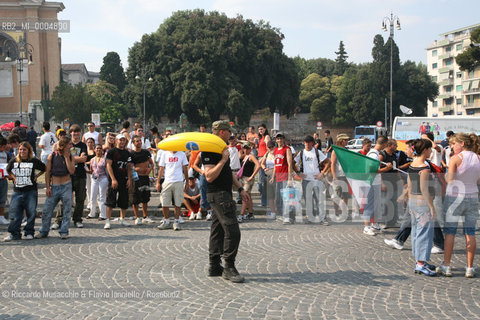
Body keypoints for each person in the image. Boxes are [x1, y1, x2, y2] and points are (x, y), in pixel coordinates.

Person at [202, 120, 250, 283]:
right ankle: (229, 267)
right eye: (229, 132)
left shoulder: (221, 148)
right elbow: (209, 176)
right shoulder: (209, 149)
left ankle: (214, 265)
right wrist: (223, 159)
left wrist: (240, 188)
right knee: (233, 230)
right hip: (218, 194)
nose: (231, 135)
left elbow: (228, 172)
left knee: (217, 230)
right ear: (222, 132)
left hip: (223, 193)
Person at [437, 133, 480, 278]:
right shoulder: (478, 158)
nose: (452, 147)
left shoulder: (456, 158)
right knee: (470, 232)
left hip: (455, 198)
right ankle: (469, 267)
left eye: (454, 144)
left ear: (461, 143)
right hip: (473, 196)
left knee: (450, 232)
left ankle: (447, 265)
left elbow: (450, 179)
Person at [407, 138, 438, 276]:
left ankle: (420, 261)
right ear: (425, 150)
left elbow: (409, 185)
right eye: (430, 149)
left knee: (416, 231)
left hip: (413, 201)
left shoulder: (413, 163)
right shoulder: (424, 168)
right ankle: (420, 263)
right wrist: (431, 207)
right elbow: (424, 189)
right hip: (422, 202)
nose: (431, 151)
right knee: (424, 233)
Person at [4, 142, 45, 241]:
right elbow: (8, 170)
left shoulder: (33, 161)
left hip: (30, 190)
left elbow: (44, 168)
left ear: (28, 151)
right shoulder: (14, 161)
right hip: (17, 191)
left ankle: (29, 232)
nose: (22, 151)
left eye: (24, 149)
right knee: (14, 213)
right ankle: (14, 233)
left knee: (31, 212)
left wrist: (37, 176)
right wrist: (13, 178)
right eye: (21, 149)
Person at [36, 136, 75, 239]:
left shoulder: (70, 156)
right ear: (64, 145)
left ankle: (64, 231)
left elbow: (71, 171)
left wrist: (67, 157)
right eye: (69, 144)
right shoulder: (52, 156)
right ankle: (44, 231)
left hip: (66, 185)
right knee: (47, 210)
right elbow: (47, 173)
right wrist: (48, 187)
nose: (71, 146)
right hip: (55, 186)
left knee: (67, 210)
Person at [53, 124, 87, 229]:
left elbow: (84, 159)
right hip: (67, 175)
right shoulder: (66, 144)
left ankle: (77, 219)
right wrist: (77, 158)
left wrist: (71, 157)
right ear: (70, 133)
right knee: (64, 198)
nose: (76, 134)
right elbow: (62, 157)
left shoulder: (83, 145)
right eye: (73, 132)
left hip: (80, 174)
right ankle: (58, 220)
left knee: (80, 198)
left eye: (77, 132)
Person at [294, 135, 330, 224]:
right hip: (306, 180)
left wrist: (322, 173)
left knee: (319, 200)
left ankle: (322, 218)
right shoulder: (301, 153)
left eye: (308, 142)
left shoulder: (317, 152)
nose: (306, 144)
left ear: (312, 143)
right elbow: (292, 162)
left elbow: (328, 162)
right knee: (308, 200)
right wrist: (298, 173)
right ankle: (310, 217)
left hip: (316, 179)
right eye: (305, 142)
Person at [362, 136, 391, 236]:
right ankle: (366, 227)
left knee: (376, 205)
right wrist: (386, 169)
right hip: (372, 183)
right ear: (384, 144)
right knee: (370, 205)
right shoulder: (374, 155)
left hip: (376, 182)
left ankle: (374, 224)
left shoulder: (375, 153)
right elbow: (372, 170)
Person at [104, 134, 132, 229]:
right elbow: (108, 165)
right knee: (110, 200)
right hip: (114, 179)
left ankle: (122, 218)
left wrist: (129, 178)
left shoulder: (127, 153)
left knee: (124, 199)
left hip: (123, 178)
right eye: (120, 140)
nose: (122, 142)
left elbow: (128, 166)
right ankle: (107, 220)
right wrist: (113, 179)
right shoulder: (112, 152)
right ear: (116, 141)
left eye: (123, 140)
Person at [156, 149, 188, 230]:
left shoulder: (182, 154)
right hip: (167, 181)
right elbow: (161, 169)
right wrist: (158, 182)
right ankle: (166, 221)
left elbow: (185, 168)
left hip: (178, 181)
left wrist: (187, 181)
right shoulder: (164, 154)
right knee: (164, 202)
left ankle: (176, 221)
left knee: (178, 203)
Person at [270, 132, 294, 224]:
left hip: (285, 176)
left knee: (286, 199)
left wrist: (289, 178)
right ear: (276, 140)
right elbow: (275, 165)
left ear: (283, 139)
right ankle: (282, 215)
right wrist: (273, 176)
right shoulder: (275, 150)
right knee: (279, 198)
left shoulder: (287, 149)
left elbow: (289, 163)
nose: (279, 140)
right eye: (277, 139)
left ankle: (288, 217)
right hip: (278, 177)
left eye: (281, 138)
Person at [130, 135, 154, 225]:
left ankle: (145, 216)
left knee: (145, 197)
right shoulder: (131, 154)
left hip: (145, 178)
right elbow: (130, 166)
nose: (139, 142)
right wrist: (136, 169)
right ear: (133, 143)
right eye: (137, 141)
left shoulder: (145, 152)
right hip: (136, 178)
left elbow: (152, 163)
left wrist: (149, 169)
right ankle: (137, 217)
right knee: (135, 198)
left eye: (140, 141)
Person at [330, 133, 352, 218]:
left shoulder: (346, 150)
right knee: (337, 196)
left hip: (346, 175)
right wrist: (334, 176)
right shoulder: (335, 151)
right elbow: (332, 164)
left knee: (345, 196)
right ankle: (336, 212)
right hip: (339, 176)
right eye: (345, 140)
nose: (347, 141)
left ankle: (344, 212)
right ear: (341, 141)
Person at [237, 142, 260, 222]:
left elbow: (258, 165)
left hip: (248, 179)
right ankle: (250, 213)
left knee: (244, 197)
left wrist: (252, 176)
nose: (246, 150)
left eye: (247, 148)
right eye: (244, 148)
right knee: (248, 196)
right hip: (243, 178)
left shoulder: (251, 156)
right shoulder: (244, 156)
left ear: (250, 149)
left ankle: (241, 214)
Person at [87, 144, 108, 220]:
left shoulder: (105, 159)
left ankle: (103, 214)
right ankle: (92, 213)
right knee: (93, 196)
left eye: (100, 148)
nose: (98, 150)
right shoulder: (92, 159)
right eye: (97, 148)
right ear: (94, 150)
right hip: (94, 178)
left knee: (102, 196)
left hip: (103, 178)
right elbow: (91, 170)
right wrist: (85, 170)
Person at [193, 153, 213, 220]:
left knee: (212, 192)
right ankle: (207, 210)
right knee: (203, 191)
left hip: (213, 174)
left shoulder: (215, 152)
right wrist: (202, 172)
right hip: (203, 175)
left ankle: (209, 211)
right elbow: (194, 165)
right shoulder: (201, 153)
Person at [260, 141, 277, 219]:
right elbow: (262, 163)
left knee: (278, 195)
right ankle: (273, 212)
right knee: (270, 196)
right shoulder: (266, 154)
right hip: (268, 176)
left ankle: (279, 211)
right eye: (269, 147)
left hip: (277, 176)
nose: (271, 148)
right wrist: (264, 168)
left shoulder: (277, 154)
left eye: (272, 147)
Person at [256, 124, 271, 207]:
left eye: (261, 129)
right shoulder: (261, 138)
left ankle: (264, 202)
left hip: (263, 159)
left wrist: (263, 158)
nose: (260, 131)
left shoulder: (266, 137)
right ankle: (265, 201)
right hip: (260, 158)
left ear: (265, 129)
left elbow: (269, 149)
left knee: (262, 181)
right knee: (261, 182)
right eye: (259, 129)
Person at [0, 136, 11, 225]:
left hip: (3, 179)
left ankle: (1, 216)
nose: (2, 148)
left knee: (3, 199)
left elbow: (9, 165)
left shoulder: (6, 154)